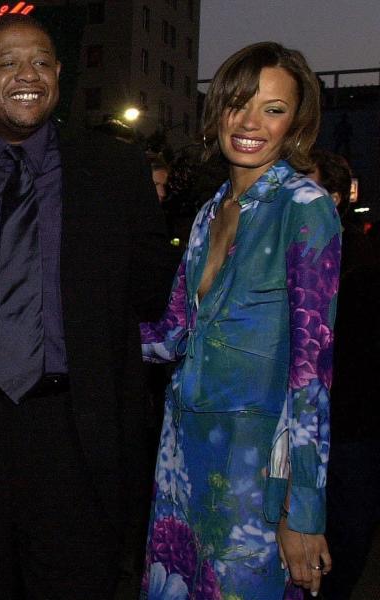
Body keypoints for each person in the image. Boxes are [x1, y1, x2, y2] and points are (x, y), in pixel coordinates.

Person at [0, 14, 173, 598]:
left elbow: (149, 288)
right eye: (8, 63)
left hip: (73, 428)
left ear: (61, 76)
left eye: (43, 62)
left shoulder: (113, 169)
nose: (29, 75)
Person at [139, 42, 340, 599]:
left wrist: (302, 510)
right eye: (238, 104)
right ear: (218, 111)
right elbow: (175, 336)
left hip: (253, 471)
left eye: (273, 109)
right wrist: (78, 328)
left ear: (295, 124)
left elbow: (311, 375)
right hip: (181, 455)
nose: (251, 123)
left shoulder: (306, 207)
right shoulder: (209, 213)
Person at [308, 149, 380, 600]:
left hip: (350, 430)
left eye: (307, 186)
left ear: (333, 197)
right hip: (296, 427)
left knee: (344, 540)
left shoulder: (360, 261)